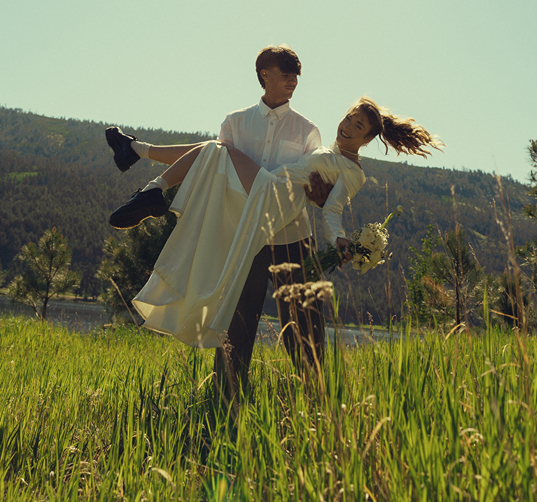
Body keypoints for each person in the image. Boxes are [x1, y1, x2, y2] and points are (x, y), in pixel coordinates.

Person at [108, 92, 442, 391]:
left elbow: (333, 208)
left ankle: (146, 173)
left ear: (368, 138)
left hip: (272, 194)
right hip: (270, 195)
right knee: (213, 154)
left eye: (358, 127)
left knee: (216, 149)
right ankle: (139, 160)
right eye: (349, 118)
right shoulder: (327, 148)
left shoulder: (354, 172)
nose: (348, 127)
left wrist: (338, 238)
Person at [106, 45, 334, 391]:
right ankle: (226, 398)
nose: (292, 81)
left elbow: (315, 190)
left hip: (291, 236)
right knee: (237, 324)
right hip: (241, 235)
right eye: (285, 74)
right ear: (264, 76)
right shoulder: (235, 122)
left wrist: (322, 196)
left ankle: (320, 395)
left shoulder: (308, 131)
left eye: (296, 76)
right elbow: (210, 169)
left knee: (305, 324)